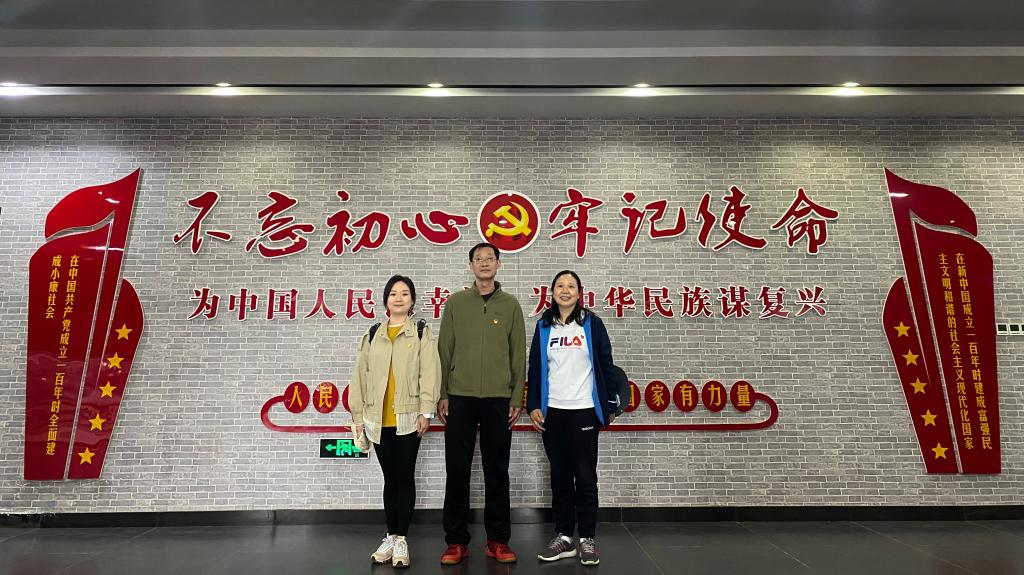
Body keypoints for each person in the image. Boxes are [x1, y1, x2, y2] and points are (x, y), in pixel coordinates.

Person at [436, 242, 527, 565]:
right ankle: (456, 542)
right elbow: (444, 350)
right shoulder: (456, 303)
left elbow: (518, 354)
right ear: (471, 265)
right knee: (457, 470)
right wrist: (442, 393)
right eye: (479, 259)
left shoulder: (511, 305)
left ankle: (498, 541)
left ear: (498, 264)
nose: (485, 263)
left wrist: (516, 397)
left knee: (497, 470)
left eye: (490, 258)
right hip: (459, 397)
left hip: (498, 399)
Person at [526, 270, 618, 567]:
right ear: (552, 292)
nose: (565, 290)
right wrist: (533, 405)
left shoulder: (591, 323)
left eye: (571, 286)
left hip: (584, 410)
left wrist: (609, 403)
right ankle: (564, 536)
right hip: (553, 412)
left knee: (586, 476)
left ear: (579, 293)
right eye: (560, 286)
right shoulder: (544, 326)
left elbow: (606, 364)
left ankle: (587, 538)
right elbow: (535, 368)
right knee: (560, 477)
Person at [349, 274, 440, 569]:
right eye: (393, 293)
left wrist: (426, 411)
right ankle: (390, 536)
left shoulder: (421, 332)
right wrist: (358, 416)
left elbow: (430, 372)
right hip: (377, 418)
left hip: (408, 416)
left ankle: (402, 539)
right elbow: (359, 376)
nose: (398, 298)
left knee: (404, 476)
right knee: (390, 478)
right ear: (386, 300)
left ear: (412, 301)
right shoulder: (373, 333)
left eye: (404, 293)